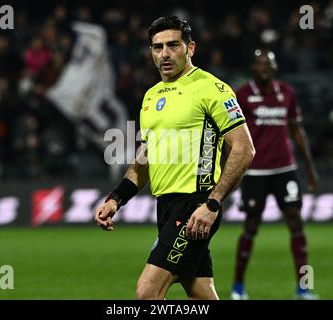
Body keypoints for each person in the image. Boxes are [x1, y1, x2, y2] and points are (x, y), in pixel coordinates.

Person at [94, 16, 255, 300]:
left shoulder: (211, 88)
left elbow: (243, 148)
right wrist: (116, 198)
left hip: (195, 206)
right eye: (157, 47)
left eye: (172, 45)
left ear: (190, 48)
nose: (164, 54)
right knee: (201, 293)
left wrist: (212, 203)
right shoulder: (151, 96)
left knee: (147, 293)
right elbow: (146, 159)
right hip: (166, 205)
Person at [230, 49, 319, 300]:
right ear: (253, 68)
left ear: (276, 67)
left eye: (269, 63)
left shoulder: (287, 93)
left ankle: (303, 287)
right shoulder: (243, 95)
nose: (265, 68)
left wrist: (310, 167)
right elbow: (232, 135)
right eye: (260, 64)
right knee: (251, 225)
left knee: (296, 224)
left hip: (285, 169)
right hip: (255, 170)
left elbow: (296, 130)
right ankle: (238, 286)